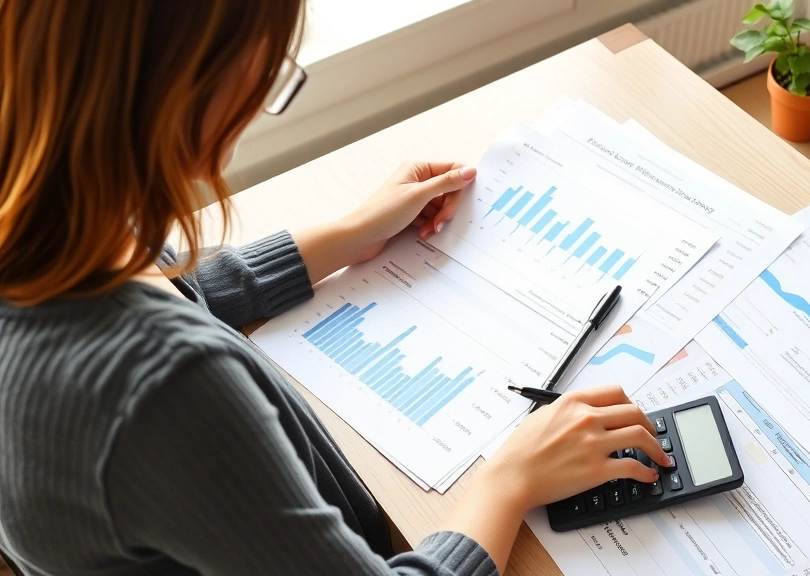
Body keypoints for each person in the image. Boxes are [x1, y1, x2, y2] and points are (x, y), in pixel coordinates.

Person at [0, 1, 671, 575]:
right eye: (262, 75)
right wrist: (509, 478)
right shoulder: (166, 388)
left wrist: (344, 234)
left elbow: (158, 286)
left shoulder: (44, 209)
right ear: (179, 85)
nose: (258, 106)